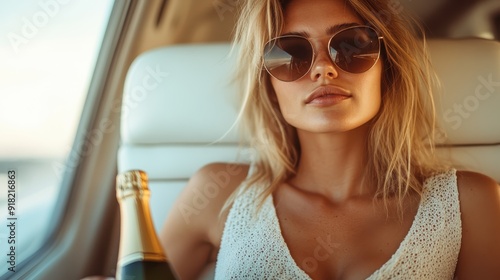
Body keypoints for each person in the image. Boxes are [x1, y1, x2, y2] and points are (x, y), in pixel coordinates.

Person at [161, 0, 500, 279]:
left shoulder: (469, 204)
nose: (323, 68)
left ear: (387, 68)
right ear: (269, 86)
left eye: (351, 45)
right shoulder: (216, 194)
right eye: (291, 53)